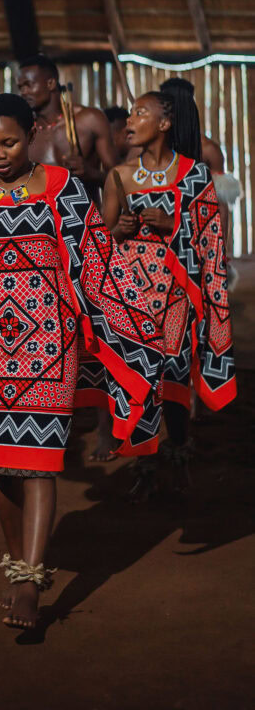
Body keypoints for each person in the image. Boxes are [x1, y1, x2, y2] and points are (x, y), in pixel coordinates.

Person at [0, 94, 164, 634]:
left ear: (31, 135)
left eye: (9, 142)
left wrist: (120, 323)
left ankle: (30, 582)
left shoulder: (61, 185)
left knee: (42, 457)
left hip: (48, 340)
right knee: (2, 461)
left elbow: (92, 257)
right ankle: (18, 563)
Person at [102, 89, 236, 497]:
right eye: (129, 114)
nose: (128, 121)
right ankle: (146, 460)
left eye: (139, 113)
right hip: (132, 294)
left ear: (164, 123)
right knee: (141, 376)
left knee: (175, 372)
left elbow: (212, 237)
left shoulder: (195, 174)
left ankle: (178, 448)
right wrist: (118, 230)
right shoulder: (119, 177)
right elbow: (100, 240)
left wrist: (172, 224)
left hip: (178, 292)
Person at [17, 55, 118, 202]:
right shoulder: (26, 130)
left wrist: (91, 173)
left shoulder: (90, 119)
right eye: (20, 87)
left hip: (84, 219)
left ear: (51, 83)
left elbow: (120, 180)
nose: (24, 92)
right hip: (43, 221)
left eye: (28, 85)